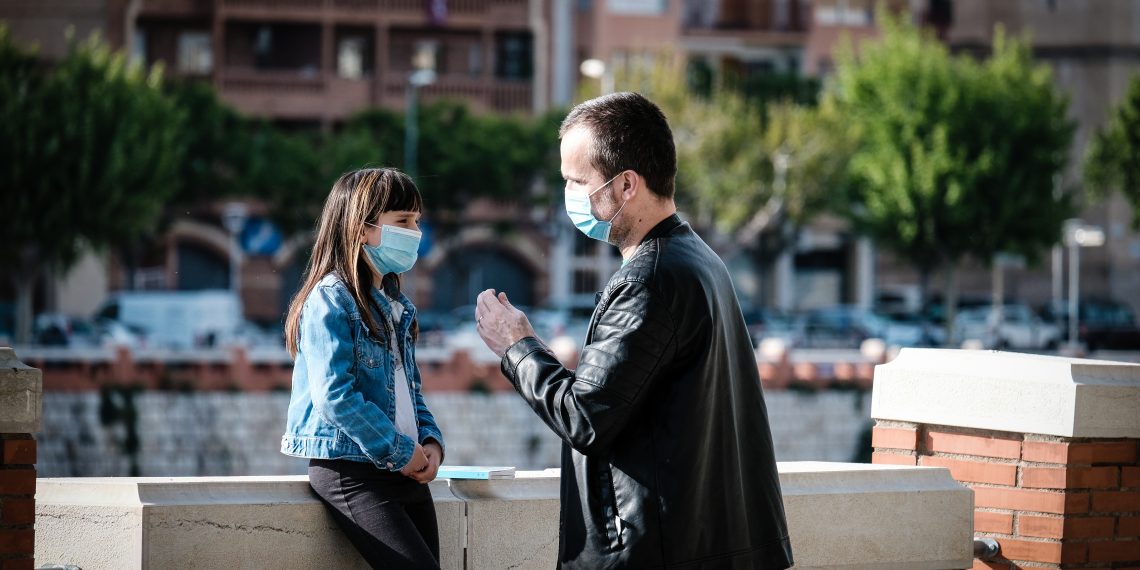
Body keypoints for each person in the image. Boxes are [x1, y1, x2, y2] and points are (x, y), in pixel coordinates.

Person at [475, 92, 794, 569]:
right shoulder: (700, 259)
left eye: (577, 181)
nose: (569, 196)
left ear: (626, 185)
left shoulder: (649, 280)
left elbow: (585, 417)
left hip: (654, 551)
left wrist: (517, 345)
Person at [281, 167, 445, 569]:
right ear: (361, 229)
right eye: (402, 221)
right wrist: (400, 451)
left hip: (404, 471)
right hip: (353, 472)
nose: (415, 233)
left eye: (417, 222)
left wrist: (432, 443)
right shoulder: (330, 300)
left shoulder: (397, 306)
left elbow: (410, 391)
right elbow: (335, 396)